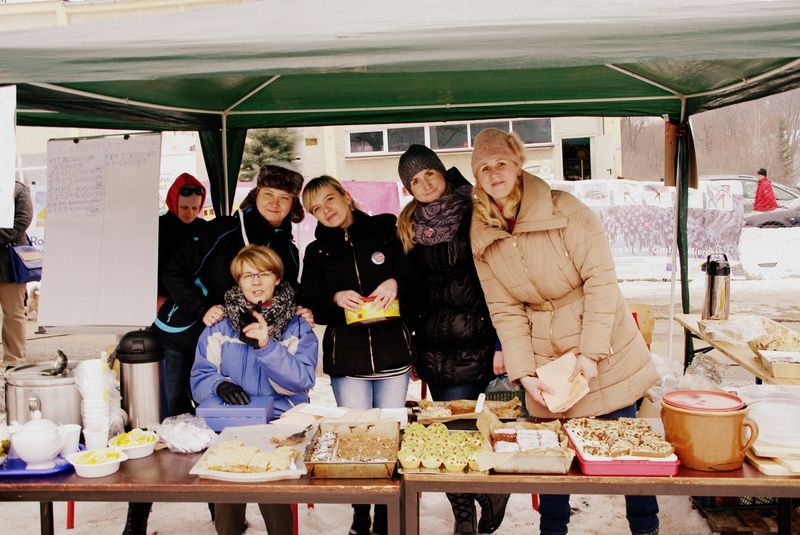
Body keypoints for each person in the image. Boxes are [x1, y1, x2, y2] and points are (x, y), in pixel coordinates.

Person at [469, 129, 660, 535]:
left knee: (627, 453)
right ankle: (552, 530)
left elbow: (601, 281)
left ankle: (646, 528)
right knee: (551, 460)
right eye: (484, 168)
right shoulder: (481, 231)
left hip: (604, 343)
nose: (494, 173)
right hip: (546, 355)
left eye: (501, 163)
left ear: (518, 165)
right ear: (477, 178)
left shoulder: (564, 209)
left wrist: (591, 353)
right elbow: (505, 309)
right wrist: (524, 373)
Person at [124, 165, 308, 535]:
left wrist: (299, 310)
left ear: (293, 206)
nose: (275, 203)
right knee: (159, 426)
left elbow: (288, 294)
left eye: (284, 198)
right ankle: (137, 518)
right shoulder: (222, 229)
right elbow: (174, 272)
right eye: (268, 194)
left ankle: (221, 513)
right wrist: (201, 307)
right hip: (187, 337)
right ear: (255, 195)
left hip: (242, 352)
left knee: (228, 425)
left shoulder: (287, 247)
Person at [396, 145, 509, 535]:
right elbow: (408, 295)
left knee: (470, 428)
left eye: (429, 173)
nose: (425, 183)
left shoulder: (475, 211)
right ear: (408, 189)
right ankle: (472, 507)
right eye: (415, 180)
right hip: (433, 347)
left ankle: (479, 501)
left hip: (477, 339)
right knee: (447, 431)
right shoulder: (408, 225)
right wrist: (412, 349)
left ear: (442, 172)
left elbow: (499, 281)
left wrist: (502, 343)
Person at [298, 175, 413, 535]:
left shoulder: (385, 230)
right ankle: (361, 512)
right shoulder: (316, 252)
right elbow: (310, 302)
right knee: (356, 438)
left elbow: (414, 276)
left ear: (346, 197)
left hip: (393, 354)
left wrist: (395, 282)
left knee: (390, 435)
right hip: (347, 361)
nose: (326, 210)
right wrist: (334, 298)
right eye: (316, 208)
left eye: (330, 200)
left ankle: (386, 514)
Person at [191, 244, 318, 535]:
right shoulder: (219, 326)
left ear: (277, 278)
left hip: (279, 427)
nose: (256, 282)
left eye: (264, 274)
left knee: (275, 504)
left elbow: (301, 381)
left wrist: (267, 346)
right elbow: (200, 375)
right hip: (229, 426)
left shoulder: (298, 326)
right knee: (226, 505)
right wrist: (219, 384)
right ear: (239, 281)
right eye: (248, 275)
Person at [157, 173, 207, 310]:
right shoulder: (158, 227)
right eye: (184, 207)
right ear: (173, 202)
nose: (190, 213)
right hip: (163, 301)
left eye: (195, 208)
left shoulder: (204, 228)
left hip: (195, 300)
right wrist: (155, 297)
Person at [0, 180, 33, 368]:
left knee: (13, 313)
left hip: (9, 262)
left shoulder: (18, 188)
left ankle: (14, 361)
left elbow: (22, 221)